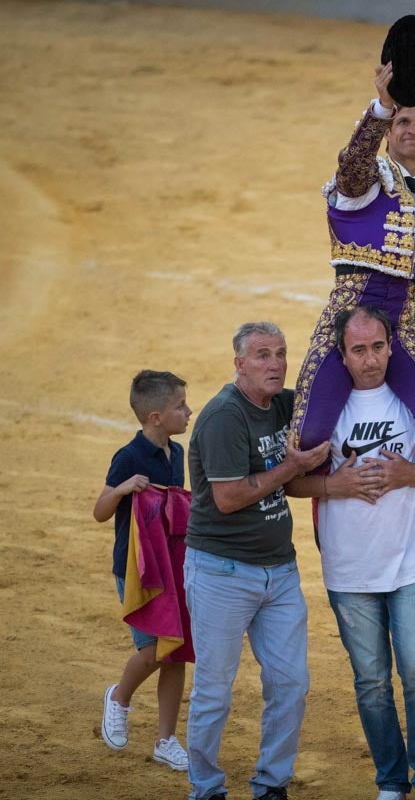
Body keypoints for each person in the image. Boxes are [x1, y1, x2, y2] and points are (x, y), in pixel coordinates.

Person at [285, 306, 415, 800]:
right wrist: (335, 485)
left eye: (378, 347)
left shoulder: (413, 401)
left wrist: (409, 474)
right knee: (371, 682)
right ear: (341, 355)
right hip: (348, 568)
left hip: (411, 562)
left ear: (392, 345)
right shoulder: (327, 411)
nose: (370, 360)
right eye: (359, 350)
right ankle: (391, 779)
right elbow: (293, 482)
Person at [291, 60, 415, 454]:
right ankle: (330, 491)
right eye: (403, 121)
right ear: (389, 130)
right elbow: (351, 165)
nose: (412, 130)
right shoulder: (367, 180)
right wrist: (381, 107)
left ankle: (405, 485)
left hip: (403, 324)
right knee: (308, 436)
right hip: (348, 318)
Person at [184, 322, 330, 800]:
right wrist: (293, 467)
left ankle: (272, 784)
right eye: (263, 355)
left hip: (279, 571)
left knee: (291, 683)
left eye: (281, 354)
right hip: (221, 571)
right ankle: (206, 787)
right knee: (214, 689)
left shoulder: (283, 405)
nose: (275, 363)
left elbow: (327, 388)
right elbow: (228, 498)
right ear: (239, 364)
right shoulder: (224, 416)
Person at [94, 370, 192, 771]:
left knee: (176, 652)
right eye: (180, 406)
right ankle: (119, 697)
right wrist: (121, 489)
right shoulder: (129, 457)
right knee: (154, 649)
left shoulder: (178, 452)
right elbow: (100, 511)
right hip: (136, 570)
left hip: (171, 563)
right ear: (155, 417)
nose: (188, 412)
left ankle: (166, 740)